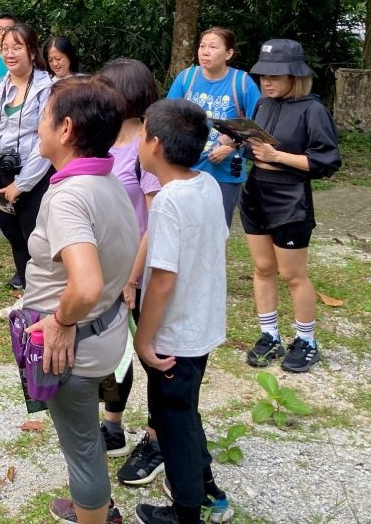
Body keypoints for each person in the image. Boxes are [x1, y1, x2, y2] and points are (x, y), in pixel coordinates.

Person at [24, 76, 138, 524]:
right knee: (87, 436)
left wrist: (60, 322)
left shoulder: (70, 197)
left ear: (67, 129)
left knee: (83, 448)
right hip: (105, 331)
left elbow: (86, 286)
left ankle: (93, 511)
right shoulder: (106, 179)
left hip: (73, 349)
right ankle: (95, 504)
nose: (38, 127)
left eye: (43, 117)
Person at [134, 99, 233, 524]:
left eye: (141, 135)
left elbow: (162, 279)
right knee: (185, 412)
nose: (139, 143)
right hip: (202, 325)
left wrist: (144, 339)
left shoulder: (168, 201)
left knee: (173, 424)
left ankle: (186, 512)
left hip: (174, 336)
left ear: (155, 144)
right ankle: (209, 490)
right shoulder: (207, 183)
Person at [239, 40, 341, 372]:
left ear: (294, 76)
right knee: (262, 268)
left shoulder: (313, 109)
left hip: (290, 196)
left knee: (292, 274)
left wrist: (277, 156)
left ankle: (306, 340)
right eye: (263, 75)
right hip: (256, 189)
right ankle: (269, 335)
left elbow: (326, 162)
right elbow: (255, 149)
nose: (267, 82)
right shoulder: (262, 104)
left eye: (275, 75)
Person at [95, 59, 165, 484]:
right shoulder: (101, 141)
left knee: (152, 354)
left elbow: (155, 223)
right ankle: (113, 425)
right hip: (106, 273)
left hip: (139, 276)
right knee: (111, 352)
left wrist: (132, 278)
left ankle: (157, 440)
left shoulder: (147, 147)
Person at [0, 24, 54, 289]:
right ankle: (29, 296)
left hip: (35, 176)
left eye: (17, 47)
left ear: (31, 51)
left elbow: (47, 140)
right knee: (15, 239)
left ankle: (46, 297)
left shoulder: (48, 88)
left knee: (37, 241)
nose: (9, 53)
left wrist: (22, 184)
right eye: (4, 48)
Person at [166, 27, 260, 229]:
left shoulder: (242, 83)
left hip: (223, 172)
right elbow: (167, 118)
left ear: (229, 53)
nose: (205, 52)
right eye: (202, 46)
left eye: (213, 47)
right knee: (182, 229)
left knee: (217, 232)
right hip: (185, 168)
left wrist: (230, 146)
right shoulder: (186, 77)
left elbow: (258, 126)